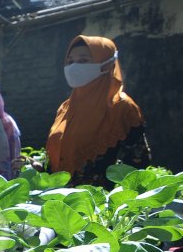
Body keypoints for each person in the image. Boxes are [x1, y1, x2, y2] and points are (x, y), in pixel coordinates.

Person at [45, 35, 150, 186]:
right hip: (60, 201)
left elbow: (138, 163)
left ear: (107, 64)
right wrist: (39, 166)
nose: (74, 66)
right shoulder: (65, 108)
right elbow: (58, 158)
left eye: (83, 60)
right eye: (70, 61)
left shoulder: (122, 107)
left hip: (98, 205)